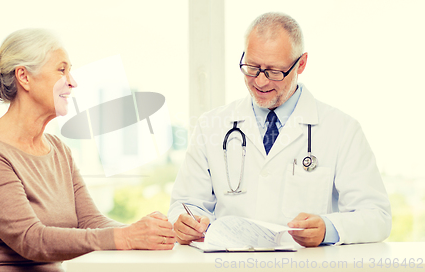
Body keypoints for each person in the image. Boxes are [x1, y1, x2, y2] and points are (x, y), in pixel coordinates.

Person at [0, 29, 176, 272]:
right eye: (62, 70)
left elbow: (91, 222)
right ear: (24, 77)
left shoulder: (58, 150)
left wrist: (155, 234)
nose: (73, 81)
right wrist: (126, 237)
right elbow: (30, 240)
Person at [168, 12, 391, 247]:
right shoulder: (211, 126)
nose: (261, 82)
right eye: (252, 67)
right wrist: (186, 223)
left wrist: (329, 229)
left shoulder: (342, 129)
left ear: (301, 63)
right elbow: (184, 204)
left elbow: (377, 216)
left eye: (274, 72)